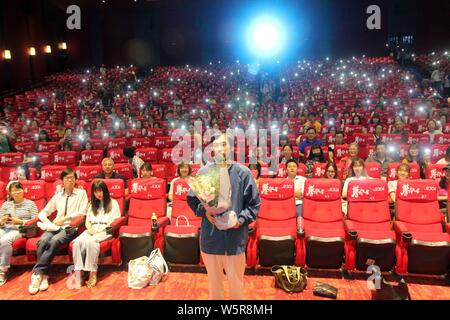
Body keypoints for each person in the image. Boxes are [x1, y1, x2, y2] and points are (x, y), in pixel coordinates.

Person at [187, 133, 260, 300]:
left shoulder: (243, 173)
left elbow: (254, 204)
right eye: (217, 145)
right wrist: (204, 211)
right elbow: (192, 199)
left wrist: (240, 220)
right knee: (214, 287)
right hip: (211, 238)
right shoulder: (204, 172)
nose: (220, 148)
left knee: (236, 286)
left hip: (234, 240)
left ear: (232, 147)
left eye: (224, 144)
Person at [29, 168, 88, 295]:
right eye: (67, 178)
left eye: (72, 178)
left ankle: (37, 273)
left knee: (54, 241)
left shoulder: (81, 193)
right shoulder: (57, 196)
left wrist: (65, 219)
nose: (70, 180)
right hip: (54, 226)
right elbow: (45, 211)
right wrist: (46, 220)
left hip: (70, 227)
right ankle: (43, 275)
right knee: (42, 241)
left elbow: (83, 212)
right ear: (62, 181)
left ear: (75, 180)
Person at [72, 180, 121, 288]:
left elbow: (114, 221)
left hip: (105, 230)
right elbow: (87, 221)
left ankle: (92, 273)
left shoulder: (113, 203)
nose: (99, 194)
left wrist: (100, 230)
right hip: (92, 229)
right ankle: (79, 272)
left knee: (91, 242)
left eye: (101, 191)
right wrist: (90, 229)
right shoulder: (92, 204)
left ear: (105, 191)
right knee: (77, 242)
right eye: (96, 191)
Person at [0, 181, 38, 286]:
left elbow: (35, 221)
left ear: (23, 190)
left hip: (20, 230)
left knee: (4, 240)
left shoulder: (31, 204)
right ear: (10, 193)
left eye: (18, 190)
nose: (16, 192)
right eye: (13, 191)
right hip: (5, 227)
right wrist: (2, 221)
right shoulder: (6, 204)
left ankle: (3, 270)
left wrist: (20, 221)